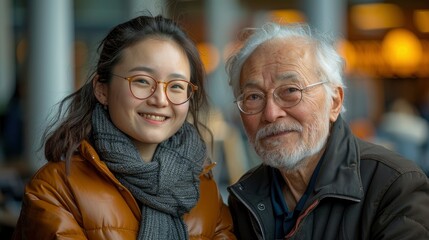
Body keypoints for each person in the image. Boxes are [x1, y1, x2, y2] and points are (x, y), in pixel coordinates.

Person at [13, 15, 236, 240]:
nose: (160, 99)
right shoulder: (56, 189)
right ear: (102, 89)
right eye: (141, 81)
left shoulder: (205, 192)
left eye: (176, 86)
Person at [225, 22, 429, 240]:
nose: (271, 113)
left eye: (291, 90)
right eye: (254, 96)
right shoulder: (245, 196)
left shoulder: (391, 185)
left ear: (334, 102)